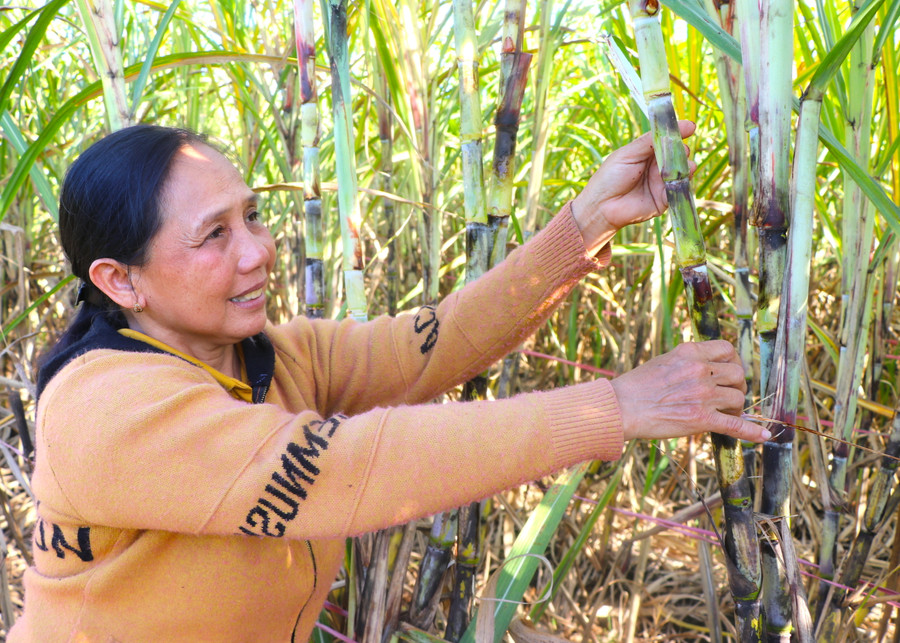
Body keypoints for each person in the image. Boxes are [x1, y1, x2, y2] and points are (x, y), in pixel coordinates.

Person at [10, 123, 768, 642]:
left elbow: (429, 346)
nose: (258, 252)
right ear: (121, 280)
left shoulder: (261, 355)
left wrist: (583, 226)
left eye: (253, 217)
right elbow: (340, 468)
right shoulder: (105, 409)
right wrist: (615, 406)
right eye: (215, 235)